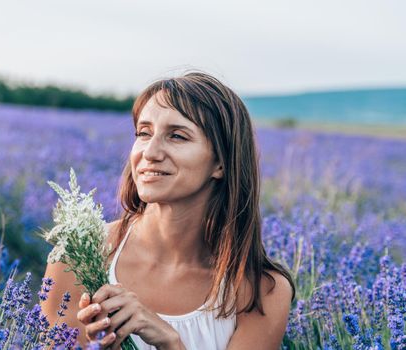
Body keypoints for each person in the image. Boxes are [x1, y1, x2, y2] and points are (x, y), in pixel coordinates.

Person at [40, 71, 295, 349]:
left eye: (176, 136)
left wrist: (170, 342)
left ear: (220, 163)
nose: (150, 152)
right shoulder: (80, 256)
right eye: (144, 133)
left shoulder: (260, 291)